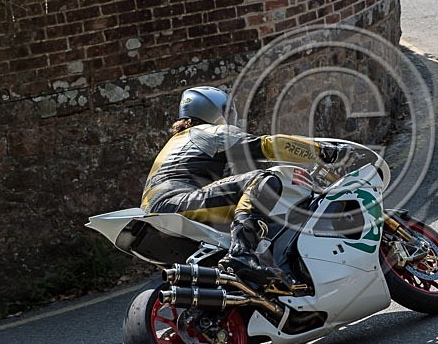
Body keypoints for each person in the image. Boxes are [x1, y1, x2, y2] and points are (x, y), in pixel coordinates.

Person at [141, 86, 378, 286]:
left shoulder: (175, 142)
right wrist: (323, 151)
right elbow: (265, 145)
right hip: (178, 202)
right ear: (217, 111)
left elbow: (233, 178)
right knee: (264, 180)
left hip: (156, 210)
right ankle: (242, 253)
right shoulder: (209, 132)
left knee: (250, 194)